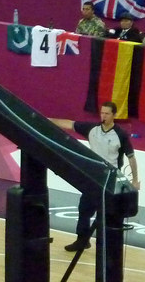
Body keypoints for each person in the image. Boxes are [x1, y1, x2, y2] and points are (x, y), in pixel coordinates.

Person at [50, 101, 140, 252]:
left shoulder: (121, 135)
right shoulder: (92, 129)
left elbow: (131, 158)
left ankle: (103, 245)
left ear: (114, 115)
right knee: (84, 208)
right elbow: (70, 124)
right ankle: (82, 239)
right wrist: (47, 120)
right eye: (102, 112)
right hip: (93, 176)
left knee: (104, 214)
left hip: (110, 179)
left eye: (107, 113)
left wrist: (135, 180)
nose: (103, 116)